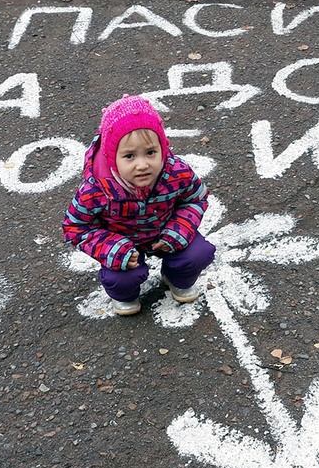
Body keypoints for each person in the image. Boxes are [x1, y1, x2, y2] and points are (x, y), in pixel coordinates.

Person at [63, 95, 216, 315]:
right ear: (110, 156)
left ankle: (176, 277)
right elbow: (75, 227)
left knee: (198, 253)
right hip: (122, 242)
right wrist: (113, 249)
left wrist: (178, 230)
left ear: (163, 147)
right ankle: (125, 294)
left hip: (165, 232)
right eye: (129, 156)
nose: (142, 165)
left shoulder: (176, 172)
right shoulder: (96, 188)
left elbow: (196, 198)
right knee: (121, 277)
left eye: (151, 153)